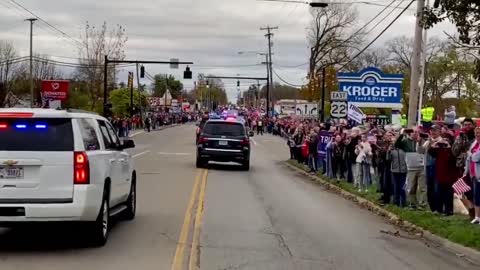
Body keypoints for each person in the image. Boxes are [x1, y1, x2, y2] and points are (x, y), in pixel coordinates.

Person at [396, 128, 426, 209]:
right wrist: (402, 134)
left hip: (421, 167)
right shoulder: (406, 142)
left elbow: (425, 150)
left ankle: (422, 204)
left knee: (423, 187)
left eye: (417, 132)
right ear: (410, 133)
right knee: (411, 187)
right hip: (411, 168)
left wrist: (421, 141)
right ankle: (413, 204)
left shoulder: (422, 141)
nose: (416, 134)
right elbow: (397, 144)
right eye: (414, 132)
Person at [422, 125, 442, 212]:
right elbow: (421, 149)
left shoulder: (442, 141)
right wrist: (427, 141)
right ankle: (432, 208)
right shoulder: (428, 141)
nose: (433, 132)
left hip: (437, 167)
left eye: (435, 130)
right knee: (429, 188)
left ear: (439, 131)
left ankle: (438, 208)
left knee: (436, 188)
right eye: (432, 130)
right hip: (428, 166)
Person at [464, 127, 480, 224]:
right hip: (473, 173)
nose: (477, 135)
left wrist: (470, 154)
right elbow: (469, 159)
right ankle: (477, 217)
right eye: (476, 133)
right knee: (475, 195)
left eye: (479, 133)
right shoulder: (474, 143)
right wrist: (466, 171)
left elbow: (475, 157)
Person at [388, 135, 408, 207]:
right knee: (396, 187)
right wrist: (389, 151)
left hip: (403, 171)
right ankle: (396, 202)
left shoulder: (404, 151)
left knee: (402, 187)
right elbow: (388, 159)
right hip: (395, 171)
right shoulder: (392, 151)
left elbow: (407, 160)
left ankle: (403, 202)